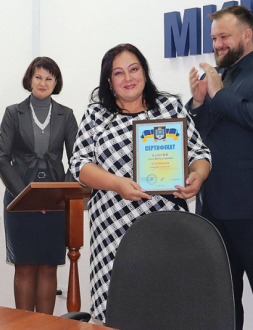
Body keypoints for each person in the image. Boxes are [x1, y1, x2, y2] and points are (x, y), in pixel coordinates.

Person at [70, 43, 211, 323]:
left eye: (134, 69)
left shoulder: (169, 106)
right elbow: (79, 164)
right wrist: (116, 183)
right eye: (118, 73)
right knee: (116, 311)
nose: (128, 78)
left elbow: (199, 153)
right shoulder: (97, 113)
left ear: (144, 72)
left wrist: (198, 175)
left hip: (166, 226)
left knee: (167, 309)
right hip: (112, 228)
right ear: (109, 81)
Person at [187, 5, 253, 330]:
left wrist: (218, 94)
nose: (217, 44)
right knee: (221, 309)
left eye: (224, 37)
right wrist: (197, 102)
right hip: (214, 211)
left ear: (247, 35)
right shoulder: (216, 79)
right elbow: (200, 140)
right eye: (213, 38)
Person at [0, 57, 78, 314]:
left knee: (49, 267)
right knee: (25, 266)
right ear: (29, 80)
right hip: (19, 199)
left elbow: (78, 159)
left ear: (56, 82)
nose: (43, 82)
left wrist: (60, 196)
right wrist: (26, 197)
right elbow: (1, 158)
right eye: (38, 77)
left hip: (55, 202)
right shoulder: (13, 112)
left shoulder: (66, 114)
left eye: (49, 78)